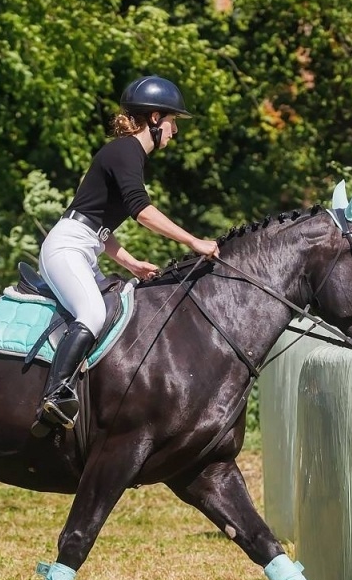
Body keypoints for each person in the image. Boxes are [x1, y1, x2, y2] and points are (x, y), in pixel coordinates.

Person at [32, 75, 219, 436]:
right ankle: (54, 395)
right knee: (93, 312)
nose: (175, 130)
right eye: (172, 121)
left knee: (118, 315)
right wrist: (194, 241)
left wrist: (130, 263)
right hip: (65, 247)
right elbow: (142, 211)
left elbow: (100, 226)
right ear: (154, 118)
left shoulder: (126, 154)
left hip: (83, 246)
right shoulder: (125, 151)